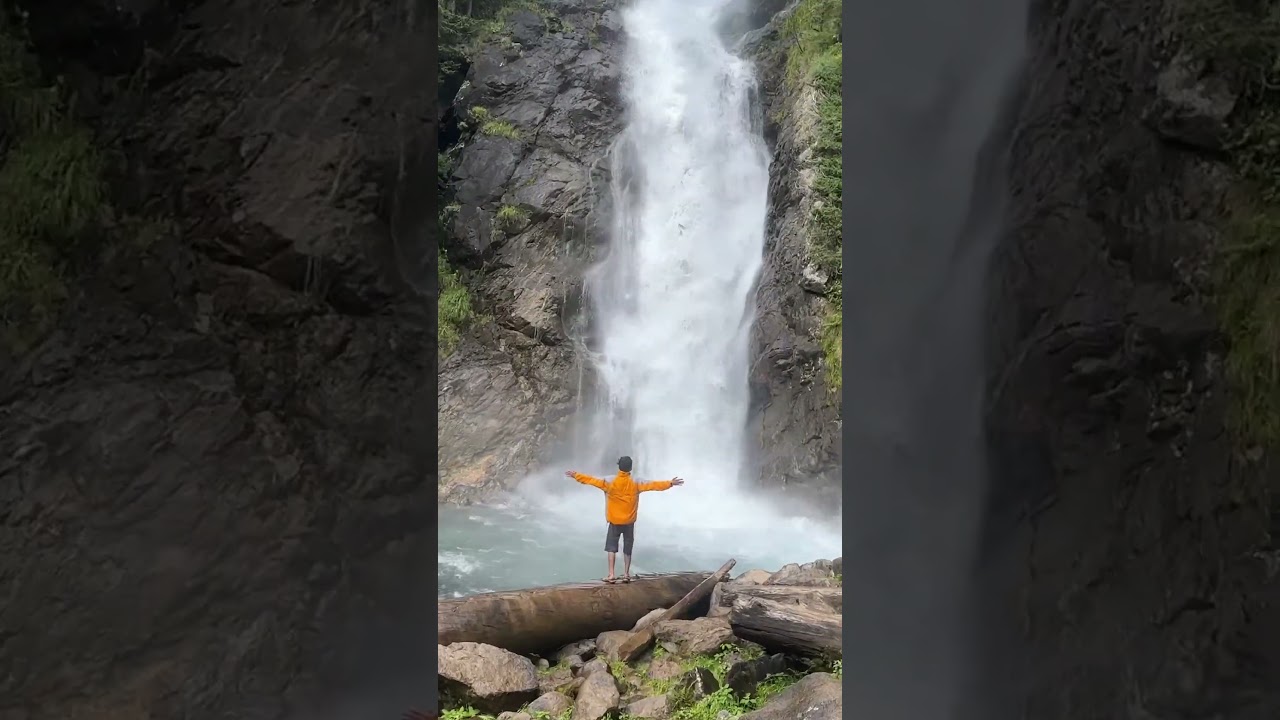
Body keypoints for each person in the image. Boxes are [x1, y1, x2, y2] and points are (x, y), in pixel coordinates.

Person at [565, 455, 684, 584]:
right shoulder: (636, 482)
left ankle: (611, 575)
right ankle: (627, 574)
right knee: (628, 547)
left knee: (611, 547)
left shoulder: (609, 481)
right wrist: (670, 483)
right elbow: (653, 485)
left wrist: (576, 475)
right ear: (630, 467)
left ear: (619, 467)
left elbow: (591, 480)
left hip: (614, 521)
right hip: (629, 522)